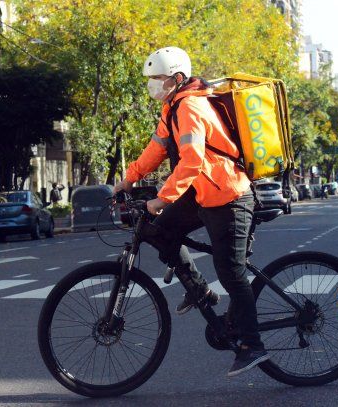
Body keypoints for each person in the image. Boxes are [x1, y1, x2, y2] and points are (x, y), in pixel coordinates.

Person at [114, 46, 268, 376]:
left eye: (158, 79)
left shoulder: (191, 106)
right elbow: (155, 149)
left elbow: (193, 160)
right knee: (159, 231)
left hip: (229, 196)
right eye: (150, 79)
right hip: (203, 194)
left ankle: (253, 346)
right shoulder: (172, 108)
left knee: (231, 271)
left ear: (178, 79)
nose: (152, 84)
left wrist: (163, 198)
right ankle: (199, 290)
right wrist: (129, 178)